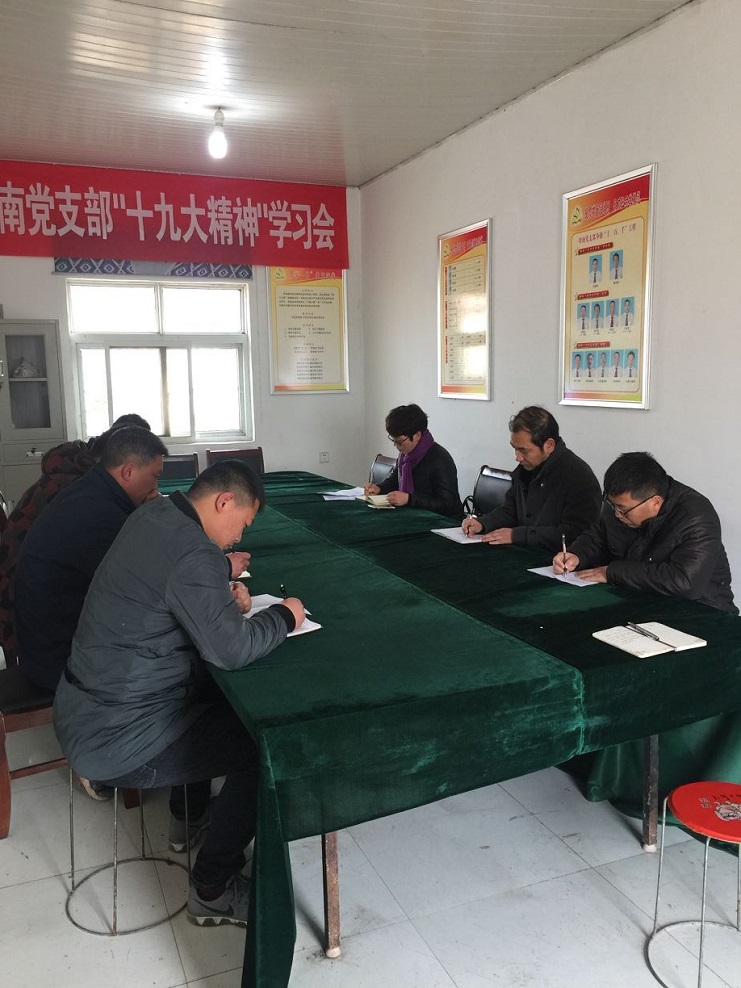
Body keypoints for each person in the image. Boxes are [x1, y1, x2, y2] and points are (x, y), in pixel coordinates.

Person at [53, 460, 306, 928]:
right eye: (243, 523)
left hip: (80, 705)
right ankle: (212, 888)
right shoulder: (195, 553)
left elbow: (170, 584)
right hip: (116, 736)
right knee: (262, 749)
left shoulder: (154, 515)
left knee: (213, 699)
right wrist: (285, 616)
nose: (239, 537)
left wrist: (219, 587)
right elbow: (232, 650)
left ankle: (188, 818)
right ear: (224, 502)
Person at [14, 426, 169, 692]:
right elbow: (146, 583)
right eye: (155, 477)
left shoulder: (92, 490)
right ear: (128, 471)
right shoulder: (101, 515)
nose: (156, 487)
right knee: (173, 657)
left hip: (44, 645)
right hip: (59, 661)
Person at [0, 413, 150, 657]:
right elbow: (119, 564)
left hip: (25, 595)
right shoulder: (82, 487)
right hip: (24, 609)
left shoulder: (72, 466)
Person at [553, 452, 736, 613]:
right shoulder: (619, 506)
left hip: (701, 611)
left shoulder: (696, 517)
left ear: (655, 502)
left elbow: (684, 582)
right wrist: (576, 555)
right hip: (642, 602)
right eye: (612, 505)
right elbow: (598, 537)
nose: (616, 514)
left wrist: (612, 572)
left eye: (623, 509)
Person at [461, 406, 601, 553]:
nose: (517, 457)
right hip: (525, 552)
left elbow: (577, 534)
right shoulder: (526, 468)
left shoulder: (579, 477)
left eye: (523, 450)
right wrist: (483, 523)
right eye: (515, 448)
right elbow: (510, 510)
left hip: (557, 559)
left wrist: (519, 535)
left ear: (549, 445)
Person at [363, 403, 462, 518]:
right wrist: (379, 488)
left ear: (417, 435)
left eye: (399, 441)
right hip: (414, 516)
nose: (396, 445)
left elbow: (447, 504)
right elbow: (395, 479)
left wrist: (409, 499)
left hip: (443, 521)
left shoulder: (440, 459)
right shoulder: (406, 454)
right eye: (393, 440)